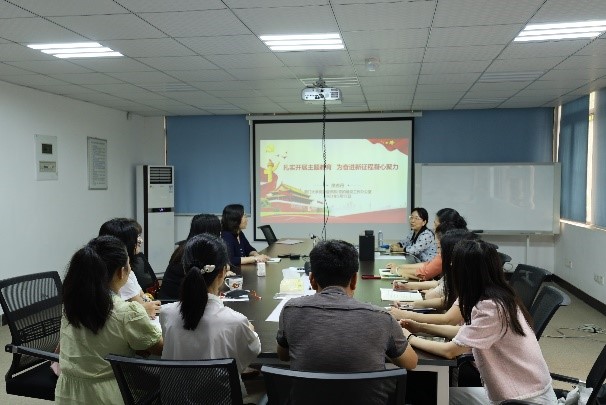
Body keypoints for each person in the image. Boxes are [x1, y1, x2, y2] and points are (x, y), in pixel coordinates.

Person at [401, 239, 557, 404]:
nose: (451, 266)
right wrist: (420, 327)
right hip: (517, 392)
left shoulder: (492, 308)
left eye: (455, 264)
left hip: (524, 400)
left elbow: (450, 351)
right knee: (438, 394)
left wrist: (409, 338)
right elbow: (466, 332)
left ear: (467, 272)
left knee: (434, 397)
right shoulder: (496, 296)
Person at [277, 239, 417, 371]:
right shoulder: (382, 318)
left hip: (306, 391)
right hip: (364, 391)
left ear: (312, 280)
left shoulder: (290, 311)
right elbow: (411, 363)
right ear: (354, 280)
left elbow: (283, 356)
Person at [55, 235, 163, 404]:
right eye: (128, 265)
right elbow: (160, 348)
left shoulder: (71, 304)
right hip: (109, 395)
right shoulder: (127, 312)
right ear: (121, 272)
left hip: (67, 393)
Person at [160, 234, 261, 400]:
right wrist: (250, 330)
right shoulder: (235, 321)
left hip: (174, 399)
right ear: (223, 272)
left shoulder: (166, 313)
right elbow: (251, 352)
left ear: (185, 270)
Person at [99, 218, 161, 319]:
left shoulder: (126, 268)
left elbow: (143, 296)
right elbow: (142, 308)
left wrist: (146, 302)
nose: (140, 240)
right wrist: (146, 304)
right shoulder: (120, 275)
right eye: (136, 237)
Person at [158, 213, 225, 299]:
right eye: (218, 232)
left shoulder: (190, 249)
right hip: (176, 302)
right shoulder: (192, 254)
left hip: (184, 300)